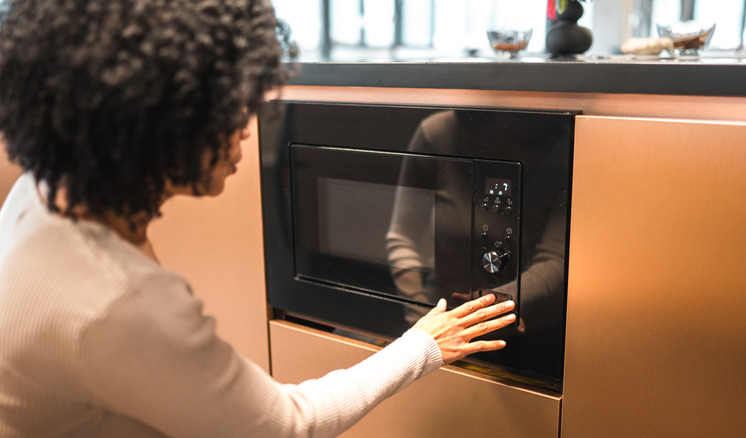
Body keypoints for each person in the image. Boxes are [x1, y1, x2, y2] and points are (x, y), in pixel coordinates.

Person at [0, 0, 516, 437]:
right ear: (157, 118)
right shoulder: (115, 302)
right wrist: (424, 346)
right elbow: (287, 425)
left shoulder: (40, 195)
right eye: (227, 107)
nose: (247, 127)